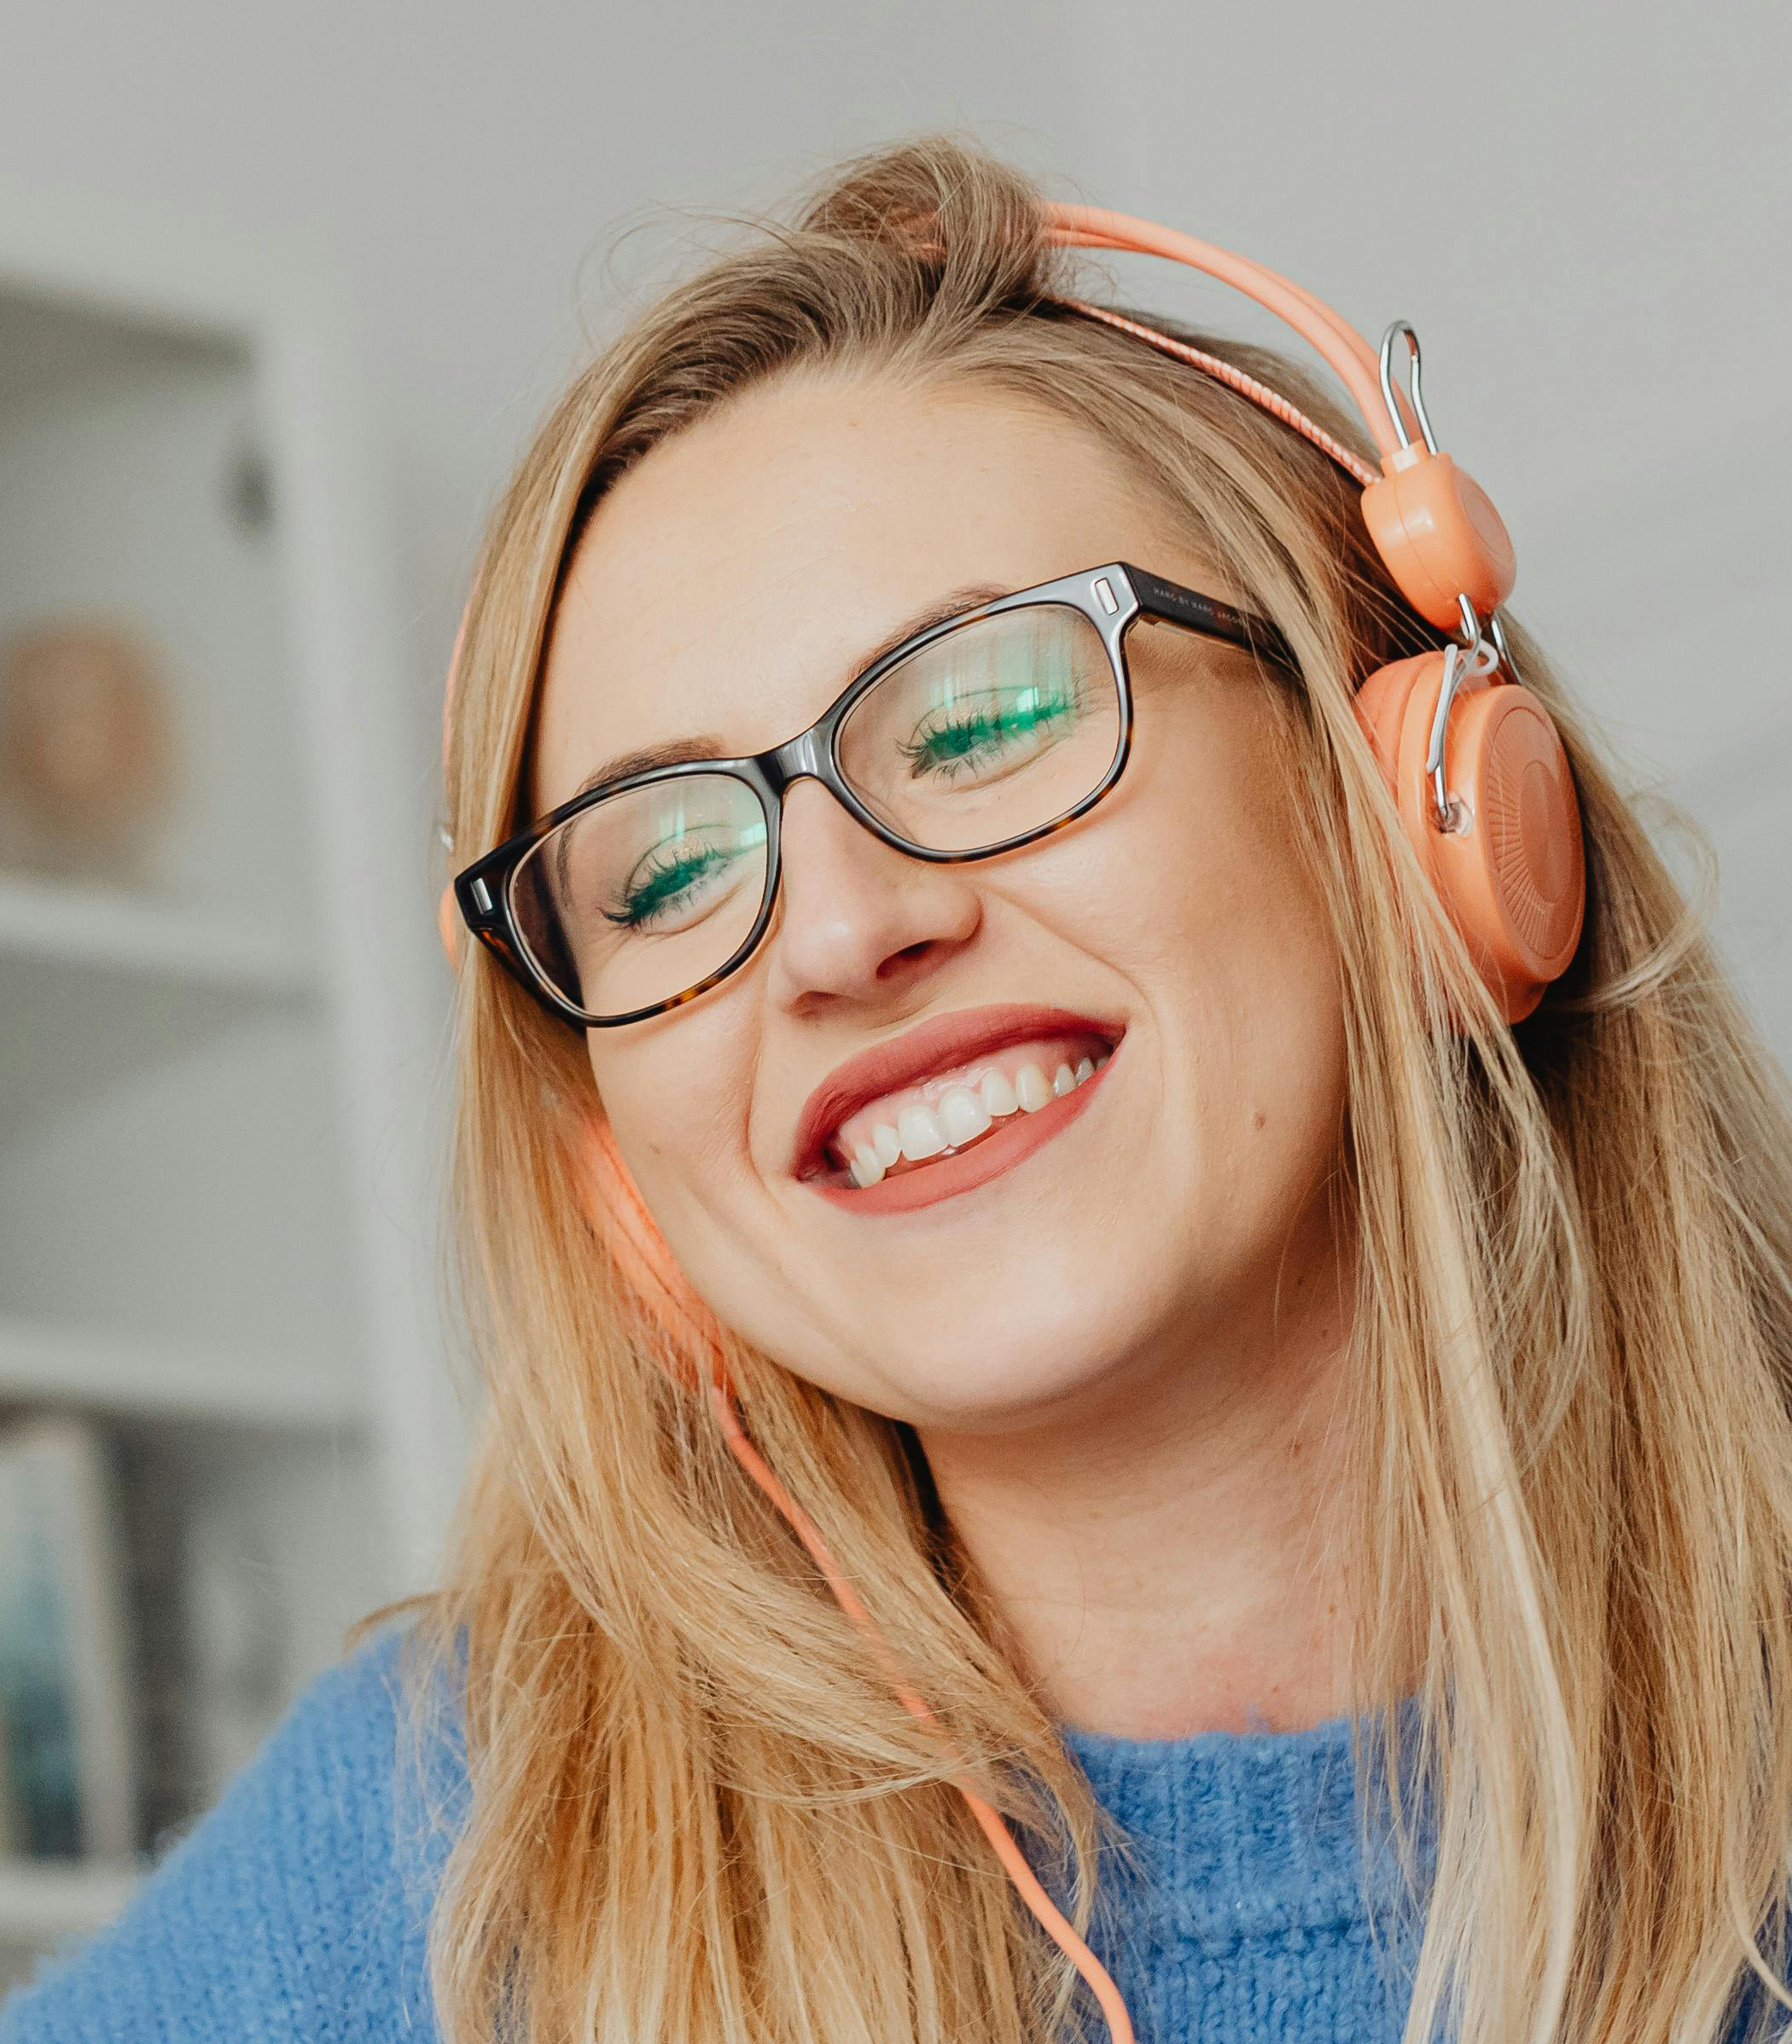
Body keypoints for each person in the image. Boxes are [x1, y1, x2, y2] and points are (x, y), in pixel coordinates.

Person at [6, 131, 1792, 2044]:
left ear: (1422, 809)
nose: (840, 930)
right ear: (620, 1165)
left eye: (993, 714)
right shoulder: (434, 1863)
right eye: (669, 870)